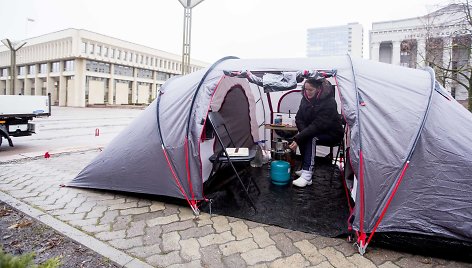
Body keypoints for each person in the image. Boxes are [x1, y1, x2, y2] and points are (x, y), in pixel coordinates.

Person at [289, 78, 343, 187]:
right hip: (315, 130)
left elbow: (319, 125)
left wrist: (301, 137)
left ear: (318, 89)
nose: (307, 92)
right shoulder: (305, 99)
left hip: (332, 133)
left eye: (311, 90)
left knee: (310, 137)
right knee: (306, 136)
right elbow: (299, 118)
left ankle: (307, 175)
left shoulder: (329, 102)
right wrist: (303, 134)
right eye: (305, 89)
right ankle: (306, 168)